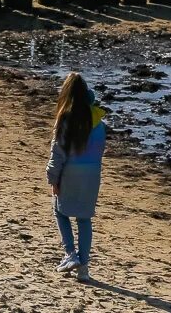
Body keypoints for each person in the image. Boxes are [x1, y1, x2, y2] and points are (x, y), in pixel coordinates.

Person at [47, 73, 108, 283]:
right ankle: (83, 268)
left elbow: (58, 152)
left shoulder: (65, 118)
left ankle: (70, 254)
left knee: (58, 209)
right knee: (84, 218)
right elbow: (99, 149)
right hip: (92, 175)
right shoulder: (98, 120)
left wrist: (53, 178)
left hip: (70, 173)